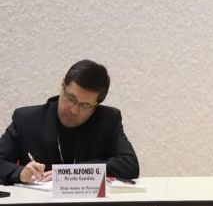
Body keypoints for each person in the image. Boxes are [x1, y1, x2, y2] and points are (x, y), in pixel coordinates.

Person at [0, 60, 139, 184]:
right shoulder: (27, 120)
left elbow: (129, 165)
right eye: (71, 98)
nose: (74, 110)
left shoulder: (108, 120)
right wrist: (20, 173)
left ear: (96, 105)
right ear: (62, 86)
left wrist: (70, 173)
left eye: (85, 105)